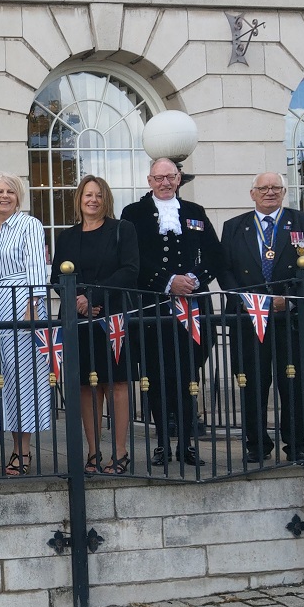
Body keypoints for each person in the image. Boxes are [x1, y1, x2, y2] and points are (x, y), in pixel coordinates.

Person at [121, 158, 223, 469]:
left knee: (189, 374)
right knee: (156, 375)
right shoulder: (133, 214)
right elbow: (131, 259)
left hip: (193, 306)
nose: (165, 183)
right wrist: (167, 282)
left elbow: (216, 256)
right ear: (149, 180)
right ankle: (163, 442)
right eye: (159, 177)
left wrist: (194, 280)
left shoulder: (195, 212)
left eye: (171, 177)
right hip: (154, 308)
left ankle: (188, 443)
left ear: (178, 179)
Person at [219, 172, 304, 463]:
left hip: (290, 318)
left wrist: (286, 299)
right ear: (252, 193)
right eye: (263, 188)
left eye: (275, 187)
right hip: (248, 319)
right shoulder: (234, 227)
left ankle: (297, 445)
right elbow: (224, 271)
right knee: (251, 382)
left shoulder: (302, 222)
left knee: (293, 383)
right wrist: (249, 301)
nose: (269, 192)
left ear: (284, 191)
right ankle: (256, 445)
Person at [50, 176, 139, 475]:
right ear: (79, 199)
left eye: (99, 195)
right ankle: (93, 452)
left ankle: (120, 451)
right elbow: (55, 278)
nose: (93, 200)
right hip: (78, 321)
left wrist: (93, 296)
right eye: (88, 195)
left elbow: (129, 270)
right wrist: (78, 300)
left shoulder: (122, 230)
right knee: (86, 388)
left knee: (115, 384)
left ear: (106, 199)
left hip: (113, 319)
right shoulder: (67, 237)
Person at [0, 173, 51, 476]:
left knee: (24, 380)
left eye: (10, 191)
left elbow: (37, 267)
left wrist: (34, 305)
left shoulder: (29, 225)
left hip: (21, 305)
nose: (4, 196)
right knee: (2, 382)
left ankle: (24, 452)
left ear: (18, 196)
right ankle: (12, 447)